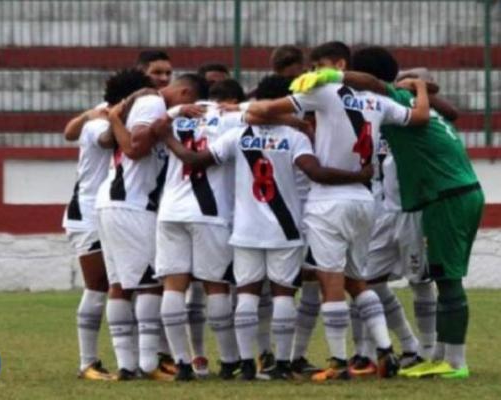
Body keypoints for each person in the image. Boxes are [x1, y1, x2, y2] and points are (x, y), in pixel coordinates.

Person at [155, 74, 373, 381]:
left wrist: (168, 133)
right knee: (284, 295)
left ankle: (244, 363)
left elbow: (194, 158)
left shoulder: (238, 134)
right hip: (284, 228)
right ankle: (282, 364)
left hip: (245, 228)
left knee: (246, 294)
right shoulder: (295, 137)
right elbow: (315, 171)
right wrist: (359, 175)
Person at [246, 41, 431, 381]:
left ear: (337, 66)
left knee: (330, 281)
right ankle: (385, 350)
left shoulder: (324, 93)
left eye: (318, 66)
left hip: (327, 199)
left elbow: (260, 112)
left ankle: (338, 361)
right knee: (357, 281)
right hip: (364, 200)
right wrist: (419, 86)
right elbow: (420, 117)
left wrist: (291, 116)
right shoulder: (379, 100)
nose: (314, 72)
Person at [294, 61, 484, 380]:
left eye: (402, 83)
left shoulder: (399, 103)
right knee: (428, 278)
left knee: (444, 280)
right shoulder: (421, 109)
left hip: (444, 198)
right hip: (441, 197)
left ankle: (453, 361)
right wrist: (422, 89)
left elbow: (373, 83)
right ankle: (430, 354)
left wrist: (334, 77)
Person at [95, 74, 204, 381]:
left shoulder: (145, 103)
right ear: (185, 93)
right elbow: (134, 148)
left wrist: (117, 117)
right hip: (132, 203)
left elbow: (111, 140)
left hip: (114, 201)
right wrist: (165, 114)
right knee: (151, 283)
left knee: (120, 286)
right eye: (189, 105)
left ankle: (128, 366)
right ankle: (147, 363)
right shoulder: (152, 102)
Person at [155, 77, 248, 381]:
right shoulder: (232, 117)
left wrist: (174, 112)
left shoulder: (177, 114)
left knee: (173, 284)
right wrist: (241, 107)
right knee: (215, 285)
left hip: (170, 210)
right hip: (209, 212)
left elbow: (154, 126)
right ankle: (229, 358)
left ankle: (182, 362)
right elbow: (266, 114)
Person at [63, 68, 153, 380]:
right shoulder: (101, 120)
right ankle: (87, 362)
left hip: (116, 211)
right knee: (99, 284)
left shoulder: (117, 117)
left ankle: (141, 361)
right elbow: (101, 139)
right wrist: (112, 117)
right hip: (88, 213)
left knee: (132, 283)